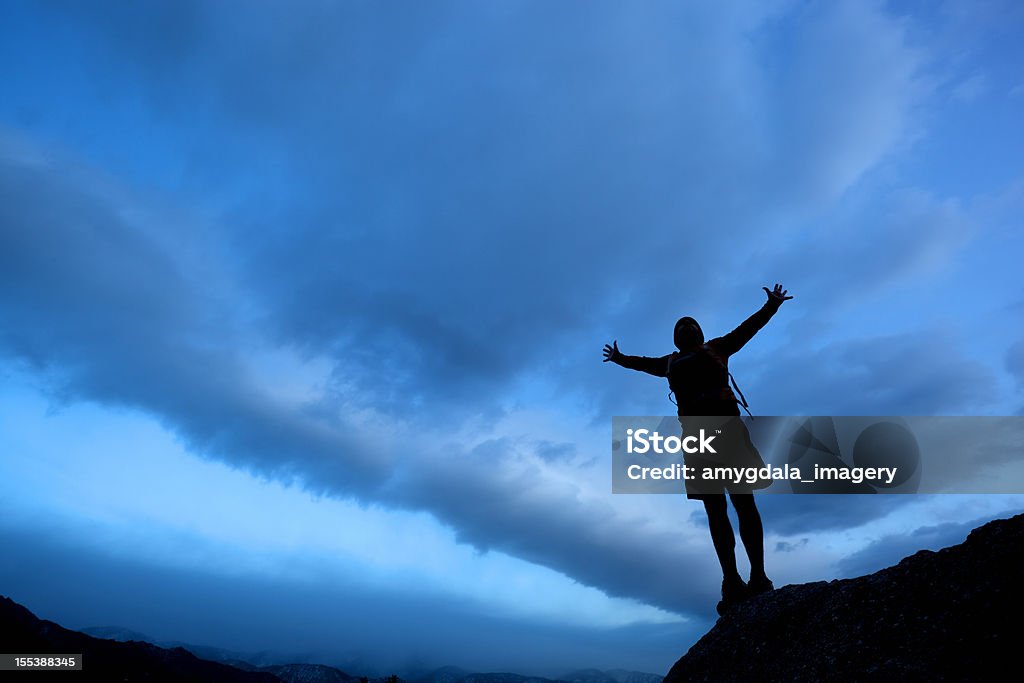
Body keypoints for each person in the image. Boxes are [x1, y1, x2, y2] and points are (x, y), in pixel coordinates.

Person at [603, 284, 793, 615]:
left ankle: (757, 576)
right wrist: (620, 359)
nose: (686, 327)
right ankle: (732, 580)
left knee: (742, 503)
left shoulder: (719, 346)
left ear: (699, 334)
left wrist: (771, 306)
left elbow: (749, 328)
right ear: (677, 339)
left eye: (691, 325)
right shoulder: (671, 362)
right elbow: (642, 363)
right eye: (681, 326)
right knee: (718, 510)